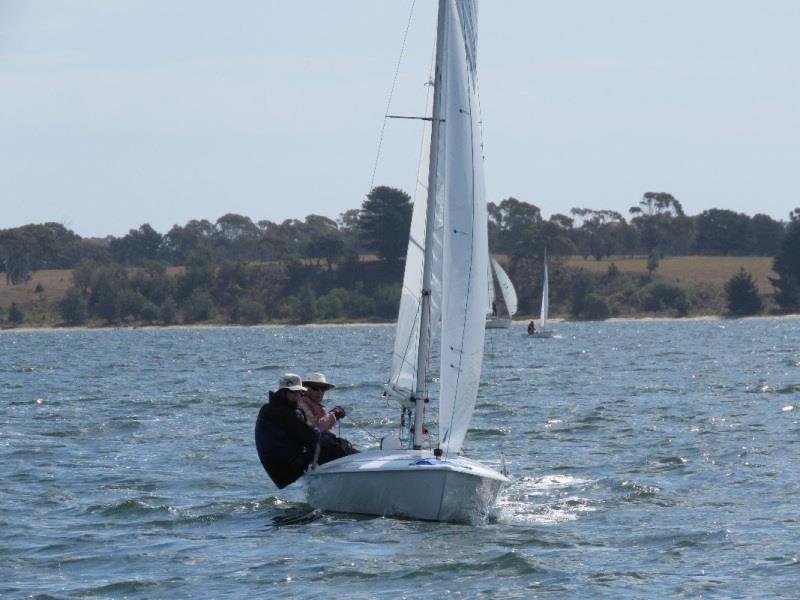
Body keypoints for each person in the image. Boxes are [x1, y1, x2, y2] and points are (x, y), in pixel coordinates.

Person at [254, 373, 354, 489]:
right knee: (334, 448)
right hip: (287, 466)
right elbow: (311, 438)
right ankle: (359, 469)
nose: (297, 396)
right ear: (282, 392)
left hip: (280, 466)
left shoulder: (271, 408)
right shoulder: (283, 412)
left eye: (299, 392)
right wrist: (334, 441)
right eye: (293, 392)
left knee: (331, 443)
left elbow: (304, 435)